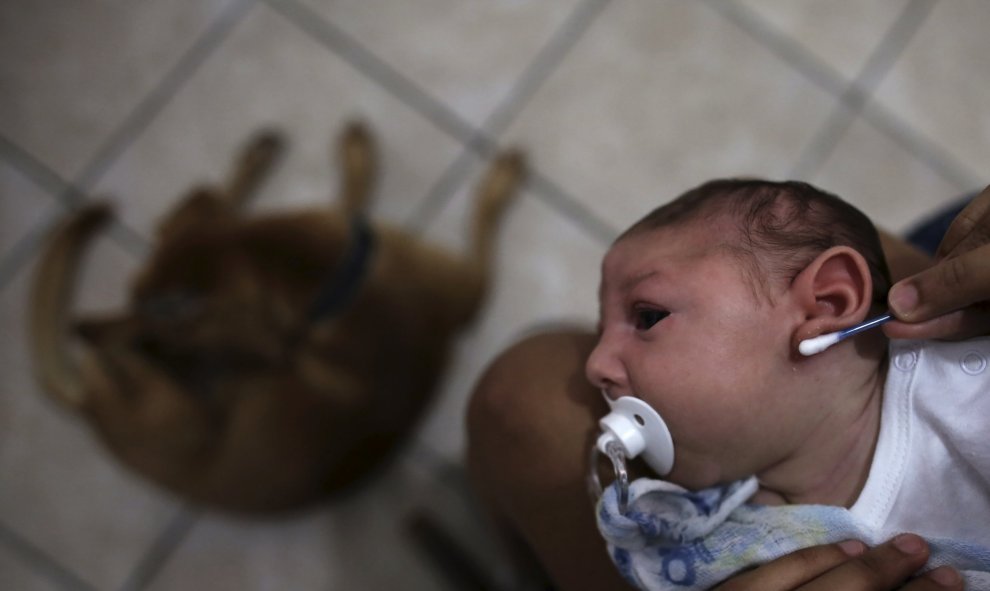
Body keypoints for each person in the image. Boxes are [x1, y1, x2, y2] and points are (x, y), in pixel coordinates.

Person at [467, 183, 990, 591]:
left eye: (647, 315)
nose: (596, 366)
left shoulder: (965, 389)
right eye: (604, 331)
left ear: (826, 305)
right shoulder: (716, 536)